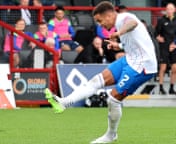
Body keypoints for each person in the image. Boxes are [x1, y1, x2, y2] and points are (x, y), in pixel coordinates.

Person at [44, 1, 157, 144]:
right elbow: (137, 40)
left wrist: (119, 33)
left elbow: (133, 23)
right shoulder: (117, 23)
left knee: (113, 99)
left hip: (143, 65)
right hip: (130, 59)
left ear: (109, 15)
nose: (99, 25)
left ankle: (111, 135)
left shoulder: (124, 18)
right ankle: (64, 102)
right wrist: (119, 45)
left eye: (100, 20)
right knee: (96, 81)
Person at [155, 3, 176, 94]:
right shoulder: (161, 20)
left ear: (174, 10)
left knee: (174, 68)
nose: (169, 10)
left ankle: (171, 88)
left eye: (171, 9)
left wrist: (174, 44)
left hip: (174, 46)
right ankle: (160, 87)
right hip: (164, 46)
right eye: (167, 9)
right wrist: (158, 38)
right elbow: (155, 33)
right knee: (162, 67)